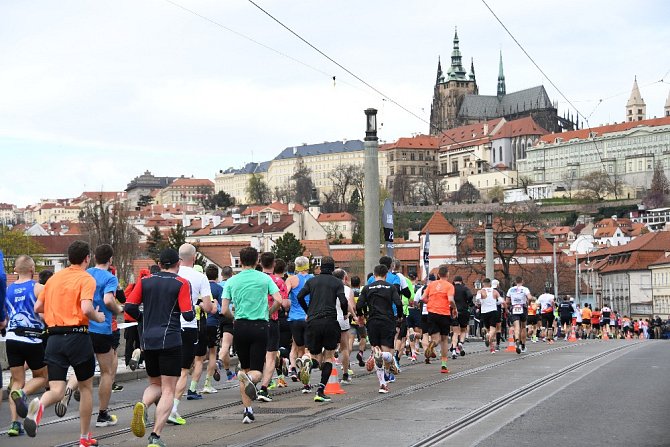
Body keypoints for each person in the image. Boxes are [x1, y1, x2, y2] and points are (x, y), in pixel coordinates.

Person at [25, 240, 105, 447]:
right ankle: (84, 439)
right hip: (78, 336)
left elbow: (37, 307)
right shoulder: (85, 278)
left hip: (54, 339)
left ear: (69, 258)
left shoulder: (53, 279)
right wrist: (99, 317)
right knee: (86, 388)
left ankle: (38, 406)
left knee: (57, 390)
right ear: (87, 258)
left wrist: (56, 312)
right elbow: (87, 308)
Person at [126, 248, 195, 447]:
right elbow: (189, 315)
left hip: (148, 340)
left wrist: (143, 318)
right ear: (178, 263)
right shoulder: (181, 283)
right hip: (170, 339)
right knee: (168, 390)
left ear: (161, 263)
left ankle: (143, 404)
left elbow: (129, 307)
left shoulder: (145, 280)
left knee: (155, 384)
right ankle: (155, 436)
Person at [221, 247, 283, 423]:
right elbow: (279, 300)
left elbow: (224, 309)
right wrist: (270, 312)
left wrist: (234, 319)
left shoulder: (232, 281)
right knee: (256, 371)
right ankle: (249, 381)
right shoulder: (264, 278)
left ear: (240, 261)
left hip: (239, 327)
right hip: (260, 326)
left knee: (244, 368)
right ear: (257, 261)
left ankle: (247, 410)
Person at [170, 244, 213, 425]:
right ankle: (172, 409)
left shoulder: (172, 274)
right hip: (188, 326)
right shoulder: (200, 277)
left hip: (168, 326)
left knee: (166, 371)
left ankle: (151, 403)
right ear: (194, 258)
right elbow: (209, 307)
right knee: (182, 370)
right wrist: (199, 306)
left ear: (179, 258)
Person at [5, 255, 48, 437]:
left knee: (16, 380)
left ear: (15, 270)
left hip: (12, 338)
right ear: (32, 270)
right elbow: (46, 314)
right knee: (42, 376)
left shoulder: (7, 290)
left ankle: (15, 424)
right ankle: (23, 394)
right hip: (33, 339)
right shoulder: (39, 288)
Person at [296, 256, 348, 403]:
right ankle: (320, 390)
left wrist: (308, 311)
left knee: (315, 356)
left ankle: (309, 364)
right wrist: (344, 313)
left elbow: (300, 296)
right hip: (330, 321)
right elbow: (343, 300)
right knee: (329, 357)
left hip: (313, 322)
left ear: (320, 267)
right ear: (333, 268)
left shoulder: (311, 281)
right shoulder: (337, 282)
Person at [86, 244, 123, 427]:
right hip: (102, 328)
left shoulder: (87, 273)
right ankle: (102, 414)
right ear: (110, 260)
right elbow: (109, 300)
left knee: (81, 367)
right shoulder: (110, 277)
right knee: (106, 372)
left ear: (94, 257)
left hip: (84, 327)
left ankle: (68, 390)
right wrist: (118, 309)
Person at [356, 264, 403, 393]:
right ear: (386, 275)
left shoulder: (367, 288)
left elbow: (359, 304)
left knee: (375, 349)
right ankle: (386, 366)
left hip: (372, 321)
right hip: (387, 320)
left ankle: (382, 383)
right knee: (388, 351)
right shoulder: (391, 287)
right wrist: (399, 317)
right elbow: (398, 303)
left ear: (374, 274)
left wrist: (361, 315)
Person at [257, 252, 289, 403]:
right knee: (271, 356)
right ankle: (264, 387)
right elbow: (283, 302)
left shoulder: (256, 279)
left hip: (254, 321)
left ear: (260, 263)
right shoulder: (278, 281)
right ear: (274, 264)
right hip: (272, 320)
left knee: (258, 354)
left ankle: (253, 379)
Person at [285, 256, 313, 390]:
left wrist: (286, 308)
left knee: (298, 348)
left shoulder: (291, 279)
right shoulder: (314, 279)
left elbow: (283, 296)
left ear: (296, 267)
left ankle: (295, 369)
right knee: (308, 350)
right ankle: (306, 383)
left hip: (294, 318)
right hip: (309, 317)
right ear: (308, 266)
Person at [422, 265, 456, 373]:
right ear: (447, 274)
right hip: (444, 313)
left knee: (435, 339)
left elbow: (423, 298)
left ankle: (432, 344)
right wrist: (454, 308)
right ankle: (444, 365)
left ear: (438, 275)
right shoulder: (449, 286)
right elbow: (450, 300)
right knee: (444, 339)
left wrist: (430, 303)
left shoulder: (431, 284)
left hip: (432, 313)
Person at [202, 264, 223, 394]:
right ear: (217, 276)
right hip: (213, 323)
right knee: (212, 353)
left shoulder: (202, 287)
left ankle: (192, 373)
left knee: (199, 354)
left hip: (201, 323)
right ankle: (207, 383)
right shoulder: (219, 289)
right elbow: (221, 308)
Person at [124, 268, 151, 371]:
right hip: (138, 319)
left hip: (133, 318)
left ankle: (133, 361)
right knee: (137, 341)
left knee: (132, 342)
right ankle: (134, 361)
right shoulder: (140, 287)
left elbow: (126, 300)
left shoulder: (134, 286)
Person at [333, 268, 356, 383]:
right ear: (344, 278)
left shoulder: (329, 288)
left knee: (329, 347)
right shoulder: (347, 290)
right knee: (345, 348)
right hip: (343, 319)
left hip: (330, 318)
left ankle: (328, 373)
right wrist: (353, 315)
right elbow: (350, 305)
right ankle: (346, 374)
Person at [217, 266, 236, 381]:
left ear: (222, 275)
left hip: (219, 317)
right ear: (231, 274)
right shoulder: (233, 285)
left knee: (224, 345)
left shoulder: (218, 286)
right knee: (226, 346)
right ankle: (219, 362)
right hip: (230, 316)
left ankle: (228, 372)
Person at [506, 276, 532, 353]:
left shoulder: (510, 289)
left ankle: (517, 339)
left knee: (516, 326)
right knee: (523, 327)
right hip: (522, 307)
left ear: (515, 282)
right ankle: (523, 345)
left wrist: (508, 307)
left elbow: (507, 301)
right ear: (522, 281)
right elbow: (530, 297)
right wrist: (529, 303)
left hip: (514, 308)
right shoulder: (525, 289)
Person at [475, 278, 502, 354]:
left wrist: (479, 303)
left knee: (487, 329)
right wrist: (495, 303)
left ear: (483, 284)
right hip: (493, 311)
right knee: (493, 329)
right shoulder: (495, 291)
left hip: (484, 312)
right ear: (490, 284)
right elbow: (501, 301)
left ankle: (492, 347)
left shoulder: (480, 291)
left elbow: (477, 299)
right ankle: (489, 337)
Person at [450, 276, 473, 358]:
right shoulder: (465, 288)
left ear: (454, 281)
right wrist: (469, 302)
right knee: (463, 330)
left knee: (455, 332)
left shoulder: (451, 288)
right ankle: (461, 343)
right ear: (461, 281)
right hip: (463, 310)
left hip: (454, 311)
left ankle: (453, 350)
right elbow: (470, 296)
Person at [348, 275, 368, 366]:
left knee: (350, 339)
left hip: (351, 318)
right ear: (360, 283)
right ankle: (360, 353)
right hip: (361, 319)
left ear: (351, 283)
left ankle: (347, 359)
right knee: (363, 337)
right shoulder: (362, 293)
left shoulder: (349, 292)